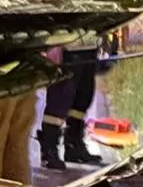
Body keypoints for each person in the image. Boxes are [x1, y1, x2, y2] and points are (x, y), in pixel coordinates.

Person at [36, 33, 103, 170]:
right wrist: (52, 46)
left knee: (82, 100)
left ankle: (74, 146)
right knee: (59, 101)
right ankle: (49, 150)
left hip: (89, 46)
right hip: (66, 46)